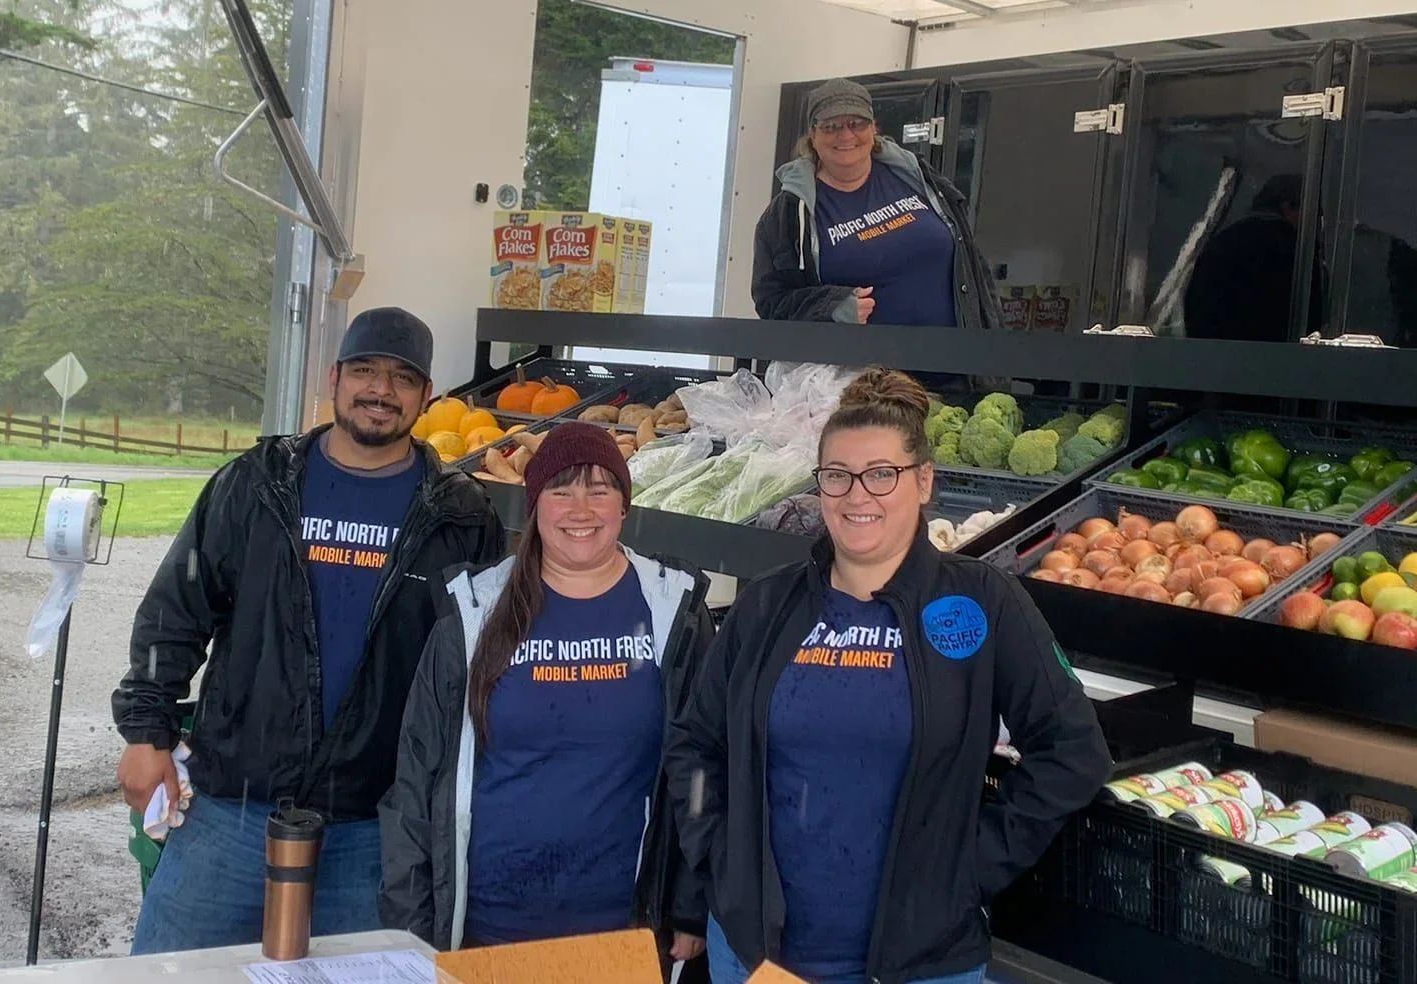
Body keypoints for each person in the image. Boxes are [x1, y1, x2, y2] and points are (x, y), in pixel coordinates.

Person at [665, 368, 1112, 984]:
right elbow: (695, 746)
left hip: (921, 964)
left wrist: (970, 871)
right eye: (837, 476)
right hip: (758, 958)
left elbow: (1073, 752)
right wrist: (717, 854)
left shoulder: (981, 601)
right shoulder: (768, 605)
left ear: (923, 480)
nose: (857, 496)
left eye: (881, 474)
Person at [113, 306, 507, 953]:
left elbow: (478, 662)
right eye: (364, 371)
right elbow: (175, 609)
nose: (380, 390)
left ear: (426, 395)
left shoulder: (460, 515)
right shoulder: (257, 484)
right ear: (334, 377)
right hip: (232, 810)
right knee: (172, 974)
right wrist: (146, 732)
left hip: (373, 827)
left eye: (402, 378)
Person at [378, 422, 714, 970]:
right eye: (561, 488)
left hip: (619, 934)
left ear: (624, 505)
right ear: (535, 505)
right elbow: (417, 777)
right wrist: (410, 925)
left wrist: (690, 903)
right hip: (487, 927)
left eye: (600, 488)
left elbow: (701, 771)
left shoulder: (672, 612)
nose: (581, 507)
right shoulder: (475, 612)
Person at [752, 78, 1001, 329]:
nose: (846, 134)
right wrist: (831, 306)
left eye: (856, 123)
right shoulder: (788, 213)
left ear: (873, 128)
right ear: (813, 135)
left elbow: (972, 265)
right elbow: (771, 302)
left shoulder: (919, 177)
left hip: (956, 361)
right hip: (861, 367)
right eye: (831, 126)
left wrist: (992, 340)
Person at [1183, 174, 1325, 342]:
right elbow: (1312, 315)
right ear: (1286, 207)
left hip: (1210, 354)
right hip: (1276, 357)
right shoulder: (1295, 250)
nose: (1316, 223)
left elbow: (1194, 308)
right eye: (1316, 213)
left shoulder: (1223, 241)